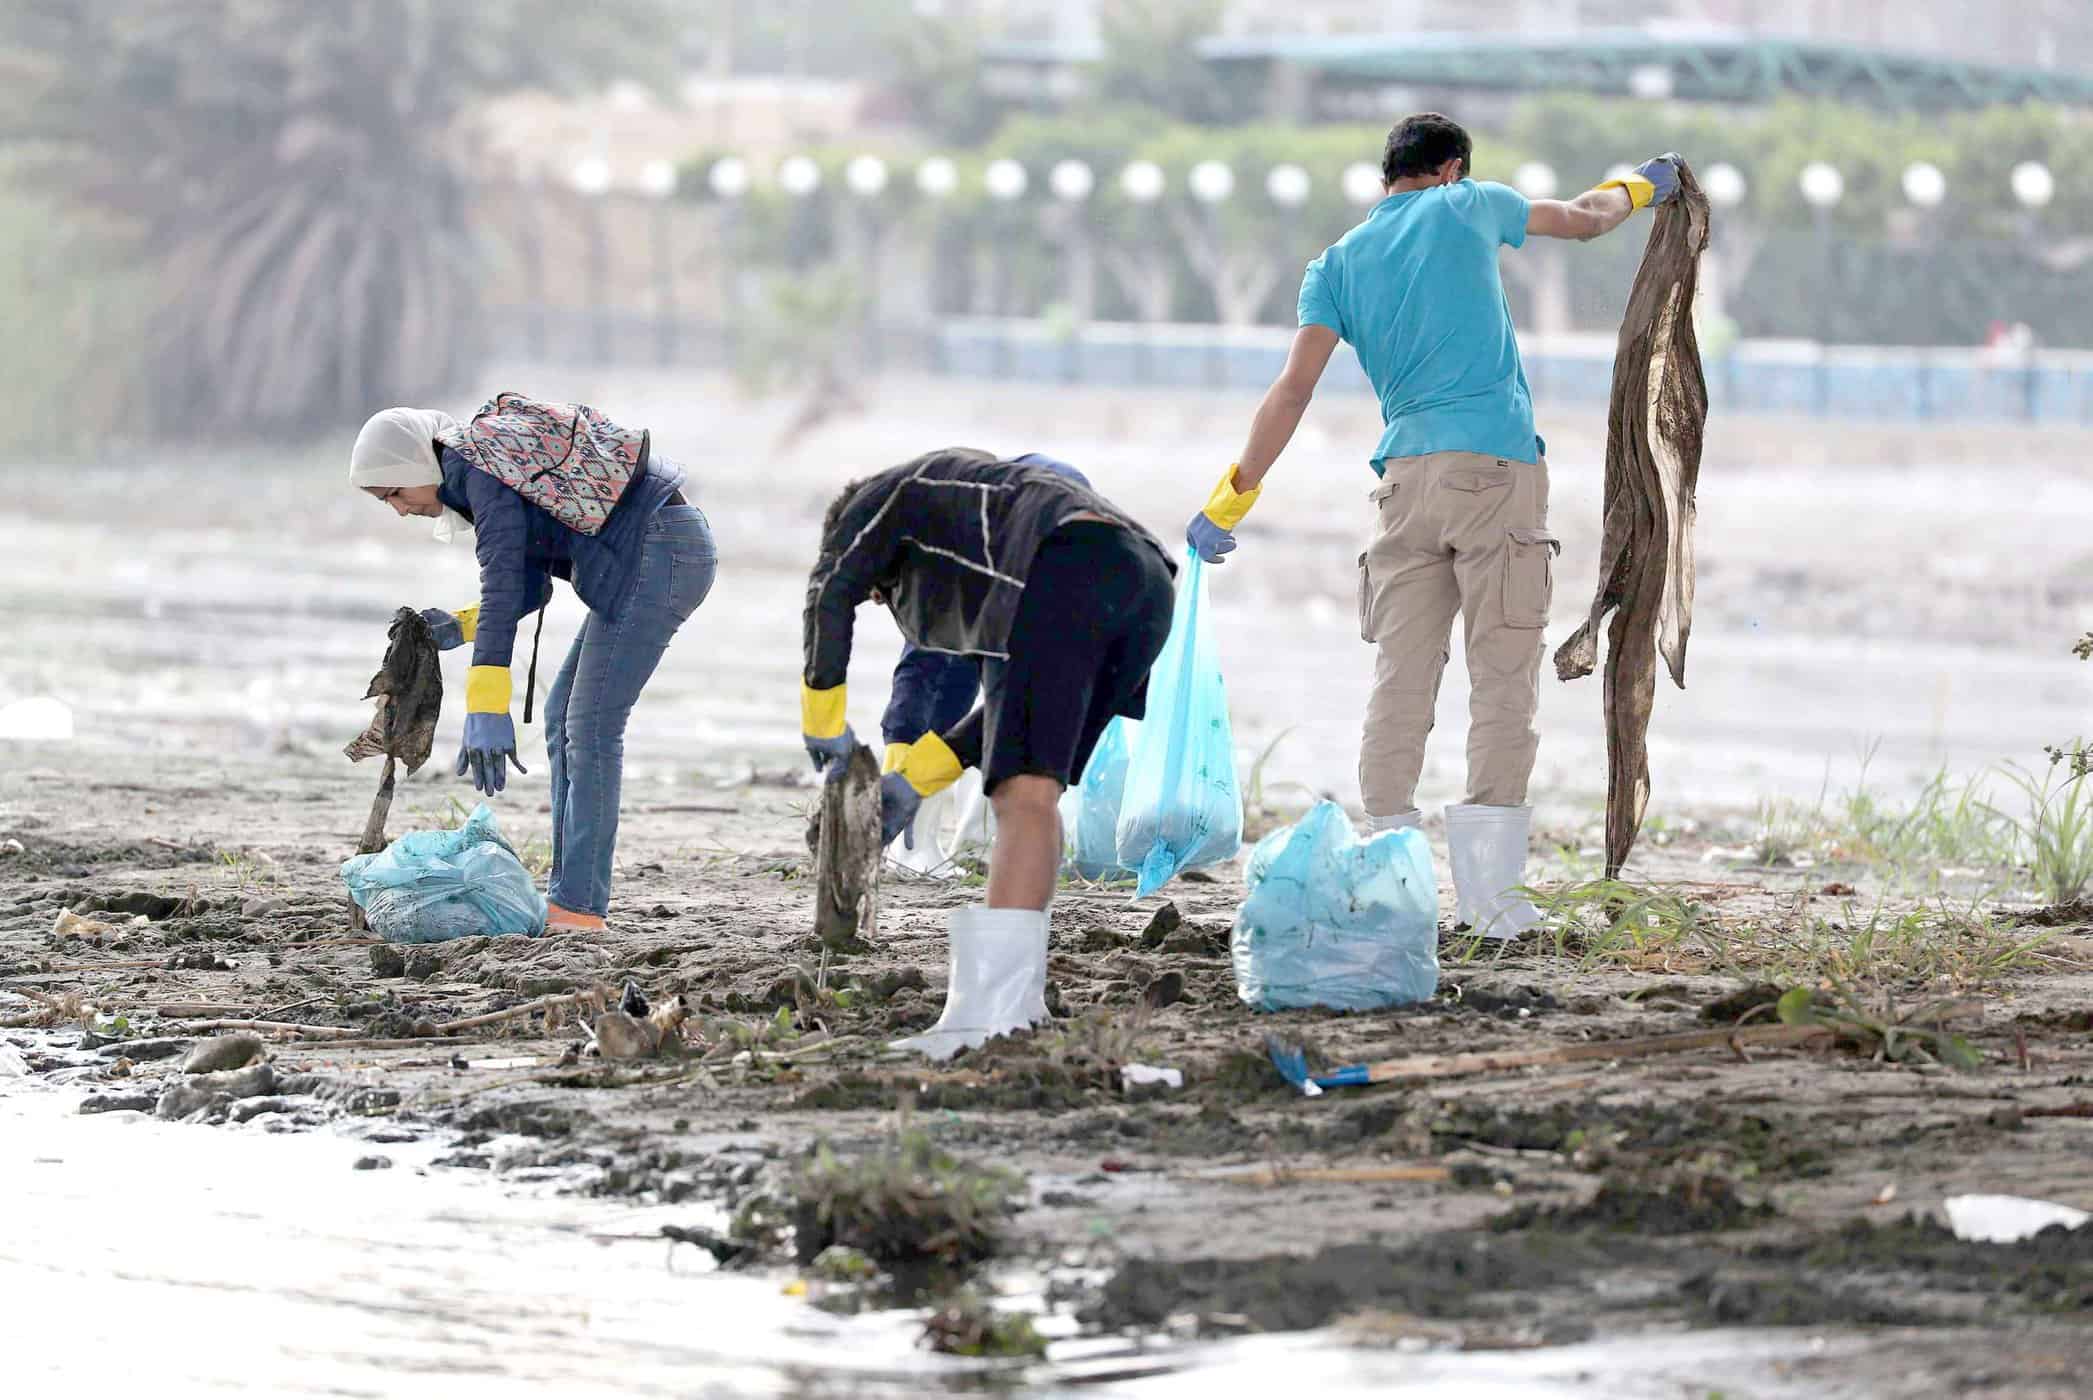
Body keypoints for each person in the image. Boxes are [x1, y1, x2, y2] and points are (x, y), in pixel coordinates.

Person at [1184, 113, 1683, 939]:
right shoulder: (1468, 204)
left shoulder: (1334, 264)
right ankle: (1491, 904)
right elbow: (1585, 219)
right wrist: (1641, 185)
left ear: (1388, 173)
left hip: (1401, 486)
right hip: (1492, 475)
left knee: (1400, 682)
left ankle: (1390, 887)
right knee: (1501, 680)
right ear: (1451, 169)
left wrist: (1228, 499)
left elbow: (1291, 391)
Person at [803, 449, 1174, 1057]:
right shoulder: (980, 544)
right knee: (1035, 792)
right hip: (1146, 585)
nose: (884, 602)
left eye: (880, 593)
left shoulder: (877, 503)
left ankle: (984, 1018)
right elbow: (1001, 719)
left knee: (1022, 799)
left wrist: (823, 721)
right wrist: (914, 781)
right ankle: (1017, 1007)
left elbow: (829, 587)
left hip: (1067, 563)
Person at [349, 401, 717, 934]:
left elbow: (502, 586)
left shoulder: (476, 472)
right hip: (653, 550)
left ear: (414, 465)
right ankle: (571, 897)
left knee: (591, 726)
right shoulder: (482, 468)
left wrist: (486, 707)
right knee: (561, 715)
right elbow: (527, 587)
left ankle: (579, 909)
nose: (400, 510)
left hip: (661, 552)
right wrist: (458, 626)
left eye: (395, 494)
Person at [877, 452, 1091, 859]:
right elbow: (926, 670)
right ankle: (932, 841)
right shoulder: (935, 537)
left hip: (1050, 544)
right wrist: (901, 743)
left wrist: (904, 746)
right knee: (954, 684)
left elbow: (924, 668)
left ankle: (970, 837)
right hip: (1034, 527)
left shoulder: (954, 551)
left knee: (1005, 694)